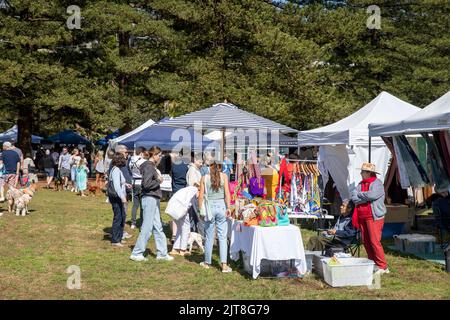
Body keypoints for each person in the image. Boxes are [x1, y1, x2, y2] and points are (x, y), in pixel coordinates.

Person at [130, 146, 174, 262]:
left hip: (153, 198)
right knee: (147, 227)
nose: (160, 158)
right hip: (149, 198)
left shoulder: (150, 166)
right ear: (154, 155)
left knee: (158, 227)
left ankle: (162, 253)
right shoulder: (149, 166)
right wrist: (158, 181)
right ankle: (137, 252)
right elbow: (146, 184)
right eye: (159, 155)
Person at [351, 162, 389, 275]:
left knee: (374, 241)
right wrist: (365, 197)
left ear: (369, 173)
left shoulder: (377, 183)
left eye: (363, 171)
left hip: (374, 216)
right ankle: (373, 263)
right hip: (362, 216)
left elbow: (372, 195)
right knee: (366, 241)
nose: (361, 173)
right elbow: (354, 197)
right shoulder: (360, 184)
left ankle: (383, 266)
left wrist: (361, 195)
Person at [198, 161, 233, 273]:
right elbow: (227, 193)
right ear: (220, 167)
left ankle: (207, 262)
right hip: (221, 207)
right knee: (222, 237)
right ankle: (224, 265)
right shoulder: (224, 176)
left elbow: (200, 196)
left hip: (209, 208)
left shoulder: (204, 178)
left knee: (209, 236)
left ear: (210, 167)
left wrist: (200, 210)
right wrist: (228, 207)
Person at [167, 185, 199, 256]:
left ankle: (175, 249)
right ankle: (182, 250)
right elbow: (192, 203)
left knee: (179, 229)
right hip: (180, 208)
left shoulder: (187, 189)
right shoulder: (194, 190)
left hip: (174, 207)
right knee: (186, 229)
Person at [108, 153, 129, 247]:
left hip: (117, 197)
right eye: (124, 158)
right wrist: (122, 197)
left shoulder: (116, 169)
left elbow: (119, 182)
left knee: (121, 217)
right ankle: (115, 240)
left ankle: (119, 237)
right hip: (117, 198)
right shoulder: (116, 170)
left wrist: (125, 184)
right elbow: (116, 185)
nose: (125, 160)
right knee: (118, 218)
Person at [170, 152, 189, 243]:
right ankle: (182, 233)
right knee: (184, 214)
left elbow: (172, 178)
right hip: (184, 190)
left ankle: (174, 234)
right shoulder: (187, 166)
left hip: (175, 189)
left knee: (175, 213)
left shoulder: (174, 165)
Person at [129, 147, 147, 229]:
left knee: (135, 204)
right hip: (141, 183)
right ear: (141, 153)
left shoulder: (130, 161)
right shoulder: (143, 161)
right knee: (142, 204)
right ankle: (143, 222)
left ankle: (133, 223)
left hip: (134, 183)